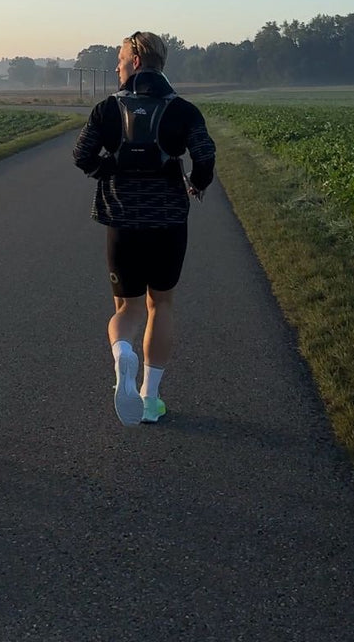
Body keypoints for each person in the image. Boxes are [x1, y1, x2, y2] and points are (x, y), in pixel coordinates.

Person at [72, 31, 216, 426]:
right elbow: (204, 155)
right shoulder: (183, 110)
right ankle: (150, 399)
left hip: (122, 221)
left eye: (119, 60)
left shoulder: (106, 109)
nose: (116, 67)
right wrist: (197, 185)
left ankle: (123, 354)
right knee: (161, 305)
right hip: (169, 221)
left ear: (135, 61)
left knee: (128, 308)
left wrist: (107, 170)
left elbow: (81, 154)